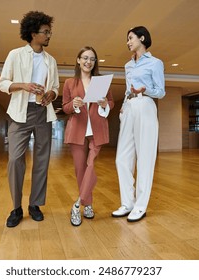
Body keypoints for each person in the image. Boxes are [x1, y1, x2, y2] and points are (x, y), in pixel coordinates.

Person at [0, 11, 59, 227]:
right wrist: (23, 85)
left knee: (42, 160)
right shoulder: (15, 54)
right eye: (45, 31)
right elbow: (3, 83)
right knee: (15, 159)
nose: (49, 35)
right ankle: (16, 207)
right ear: (33, 33)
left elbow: (55, 88)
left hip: (43, 112)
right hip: (19, 113)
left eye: (49, 31)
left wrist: (52, 94)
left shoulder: (51, 60)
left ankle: (35, 204)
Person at [112, 26, 165, 222]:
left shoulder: (155, 63)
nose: (128, 42)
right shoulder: (128, 66)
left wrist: (146, 89)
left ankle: (141, 206)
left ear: (142, 38)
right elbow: (128, 90)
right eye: (127, 39)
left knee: (145, 157)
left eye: (130, 38)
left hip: (146, 105)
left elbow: (160, 91)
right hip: (130, 107)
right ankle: (128, 203)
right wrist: (124, 106)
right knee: (122, 159)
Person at [62, 46, 114, 226]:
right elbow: (65, 107)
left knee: (91, 166)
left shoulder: (101, 82)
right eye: (85, 58)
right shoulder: (69, 82)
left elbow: (111, 103)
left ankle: (77, 205)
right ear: (78, 60)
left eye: (92, 59)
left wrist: (105, 103)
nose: (88, 62)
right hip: (77, 129)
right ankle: (89, 204)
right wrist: (74, 104)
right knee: (80, 171)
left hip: (97, 130)